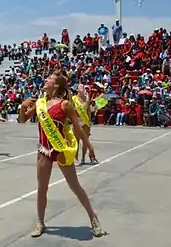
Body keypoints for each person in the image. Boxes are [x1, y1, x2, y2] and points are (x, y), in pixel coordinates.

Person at [17, 71, 103, 238]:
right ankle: (41, 222)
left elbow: (77, 127)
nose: (45, 79)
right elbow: (22, 120)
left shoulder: (65, 105)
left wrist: (89, 146)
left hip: (61, 149)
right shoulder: (40, 103)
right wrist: (22, 106)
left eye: (49, 79)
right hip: (44, 150)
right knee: (42, 188)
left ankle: (93, 218)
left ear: (55, 85)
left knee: (75, 186)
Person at [73, 84, 98, 165]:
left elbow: (88, 111)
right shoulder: (74, 99)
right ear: (77, 89)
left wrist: (89, 122)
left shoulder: (87, 98)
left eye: (83, 87)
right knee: (76, 141)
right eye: (80, 87)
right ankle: (75, 158)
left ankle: (83, 157)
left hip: (85, 121)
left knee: (85, 141)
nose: (83, 88)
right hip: (77, 121)